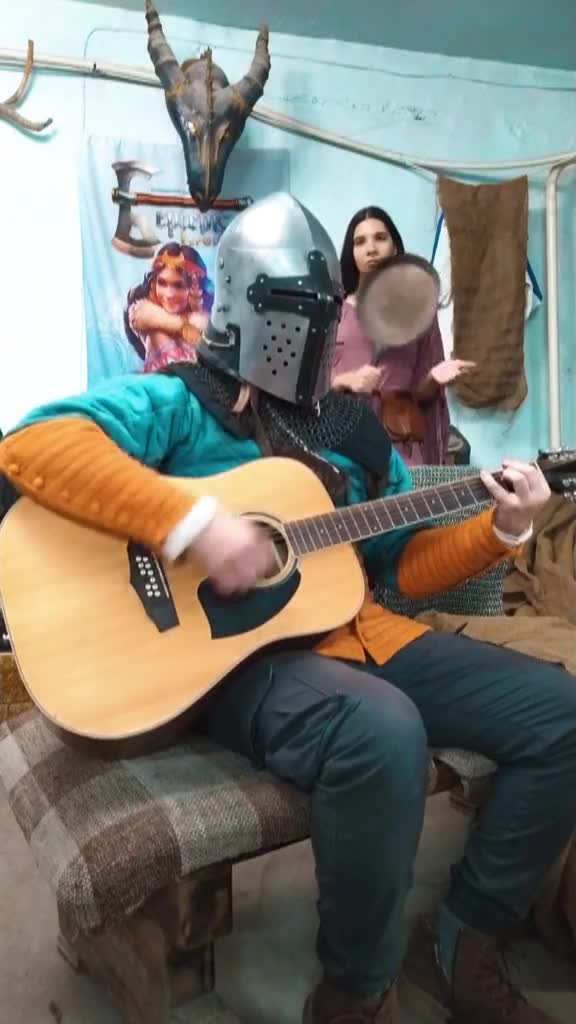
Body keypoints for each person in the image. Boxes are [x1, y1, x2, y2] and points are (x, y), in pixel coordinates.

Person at [1, 192, 574, 1024]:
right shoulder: (183, 401)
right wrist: (193, 524)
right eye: (290, 313)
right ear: (243, 304)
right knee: (381, 731)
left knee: (561, 712)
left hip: (365, 635)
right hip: (238, 660)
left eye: (319, 315)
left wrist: (503, 530)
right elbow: (33, 445)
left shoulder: (351, 430)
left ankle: (465, 937)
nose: (305, 334)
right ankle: (355, 991)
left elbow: (402, 566)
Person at [334, 206, 475, 465]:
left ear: (394, 246)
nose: (371, 248)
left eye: (380, 238)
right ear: (351, 253)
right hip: (343, 447)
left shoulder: (418, 312)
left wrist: (433, 378)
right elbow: (311, 389)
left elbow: (422, 400)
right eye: (360, 242)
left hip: (400, 451)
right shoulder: (334, 311)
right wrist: (346, 380)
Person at [124, 241, 214, 372]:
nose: (169, 294)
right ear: (153, 283)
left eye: (179, 285)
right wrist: (186, 325)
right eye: (162, 283)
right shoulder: (144, 314)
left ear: (196, 287)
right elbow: (141, 316)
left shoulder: (205, 317)